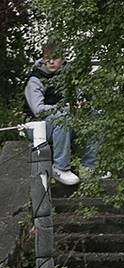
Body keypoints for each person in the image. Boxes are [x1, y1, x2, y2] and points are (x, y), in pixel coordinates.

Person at [23, 43, 99, 186]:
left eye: (55, 58)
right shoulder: (35, 79)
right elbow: (38, 110)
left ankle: (90, 165)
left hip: (65, 121)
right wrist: (67, 108)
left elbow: (79, 96)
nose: (51, 62)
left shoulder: (69, 76)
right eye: (47, 58)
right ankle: (60, 168)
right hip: (37, 126)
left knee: (97, 115)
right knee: (62, 118)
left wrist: (82, 104)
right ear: (43, 59)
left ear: (63, 59)